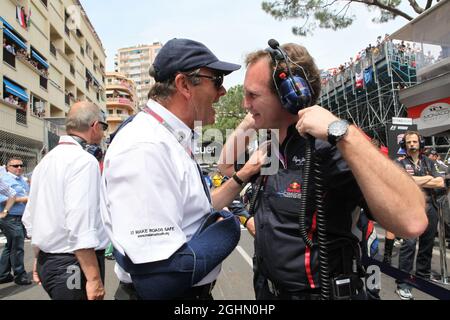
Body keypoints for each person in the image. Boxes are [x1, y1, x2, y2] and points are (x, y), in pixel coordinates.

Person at [218, 42, 428, 300]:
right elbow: (225, 165)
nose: (244, 103)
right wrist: (255, 114)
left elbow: (413, 220)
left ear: (290, 94)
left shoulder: (332, 146)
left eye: (252, 95)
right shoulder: (271, 146)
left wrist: (343, 134)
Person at [100, 38, 263, 300]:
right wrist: (227, 232)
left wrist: (241, 177)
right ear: (184, 84)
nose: (223, 92)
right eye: (217, 80)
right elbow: (160, 281)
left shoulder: (170, 137)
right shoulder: (145, 147)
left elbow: (194, 211)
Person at [22, 102, 109, 300]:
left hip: (50, 261)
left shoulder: (46, 161)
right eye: (103, 127)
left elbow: (31, 216)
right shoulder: (83, 161)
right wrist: (94, 279)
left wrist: (39, 257)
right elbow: (81, 224)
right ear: (95, 126)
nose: (103, 134)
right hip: (73, 264)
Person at [394, 132, 444, 300]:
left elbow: (441, 182)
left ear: (420, 143)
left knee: (427, 244)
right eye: (409, 142)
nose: (412, 144)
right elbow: (402, 182)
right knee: (409, 245)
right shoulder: (399, 163)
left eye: (415, 141)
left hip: (430, 206)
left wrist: (416, 179)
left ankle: (423, 276)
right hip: (410, 208)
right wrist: (428, 178)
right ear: (404, 145)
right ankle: (403, 283)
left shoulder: (430, 161)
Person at [0, 157, 31, 285]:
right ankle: (20, 275)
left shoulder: (22, 180)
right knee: (17, 246)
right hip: (9, 216)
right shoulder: (4, 179)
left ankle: (3, 274)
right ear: (8, 167)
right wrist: (25, 199)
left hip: (20, 217)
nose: (19, 168)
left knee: (11, 246)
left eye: (21, 165)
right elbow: (4, 199)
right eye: (15, 166)